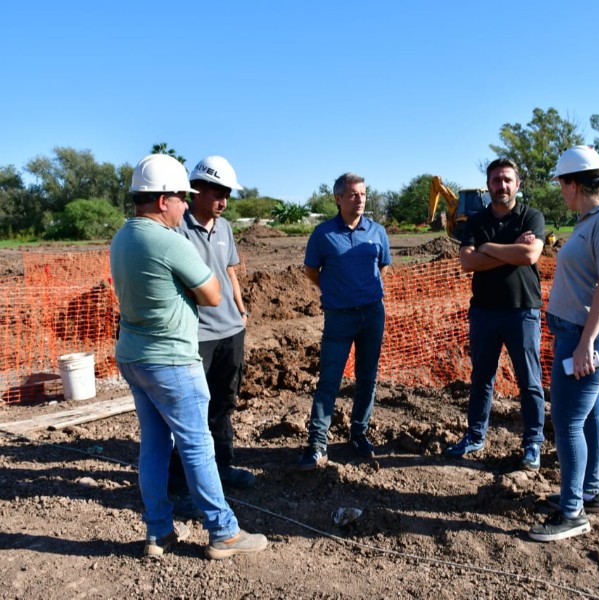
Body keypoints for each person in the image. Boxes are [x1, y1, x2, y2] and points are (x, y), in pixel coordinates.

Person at [110, 154, 267, 559]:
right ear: (163, 200)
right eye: (181, 197)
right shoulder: (167, 240)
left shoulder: (123, 236)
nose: (185, 203)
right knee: (197, 446)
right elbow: (213, 294)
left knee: (154, 447)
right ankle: (223, 532)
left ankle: (159, 532)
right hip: (172, 359)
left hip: (134, 355)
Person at [528, 145, 599, 542]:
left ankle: (573, 512)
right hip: (585, 334)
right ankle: (591, 492)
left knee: (568, 420)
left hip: (591, 336)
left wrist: (585, 344)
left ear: (573, 184)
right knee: (589, 416)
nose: (559, 191)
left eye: (561, 184)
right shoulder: (591, 219)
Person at [445, 158, 547, 471]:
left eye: (507, 180)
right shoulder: (476, 220)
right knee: (481, 379)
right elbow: (467, 263)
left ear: (517, 184)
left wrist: (487, 248)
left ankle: (532, 444)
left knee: (529, 382)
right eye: (495, 180)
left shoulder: (532, 216)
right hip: (485, 313)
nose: (501, 186)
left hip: (523, 311)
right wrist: (509, 250)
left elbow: (529, 254)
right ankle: (475, 436)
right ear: (488, 185)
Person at [167, 156, 255, 517]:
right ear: (197, 190)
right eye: (217, 192)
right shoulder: (177, 228)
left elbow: (230, 272)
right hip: (197, 335)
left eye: (228, 194)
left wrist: (241, 309)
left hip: (230, 330)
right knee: (189, 412)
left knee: (223, 403)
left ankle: (222, 468)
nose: (223, 200)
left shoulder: (226, 228)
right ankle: (177, 485)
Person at [297, 172, 392, 471]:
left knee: (367, 378)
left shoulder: (377, 231)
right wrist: (336, 290)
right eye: (353, 194)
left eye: (363, 194)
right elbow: (312, 271)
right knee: (329, 380)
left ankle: (359, 433)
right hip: (339, 318)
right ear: (338, 198)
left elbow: (383, 267)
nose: (360, 199)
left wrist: (365, 292)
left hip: (372, 315)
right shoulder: (323, 234)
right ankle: (317, 444)